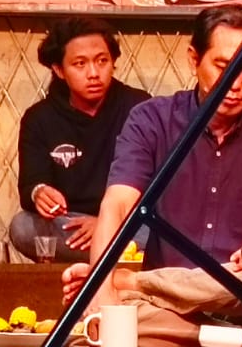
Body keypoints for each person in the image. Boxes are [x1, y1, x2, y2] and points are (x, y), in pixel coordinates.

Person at [62, 5, 242, 347]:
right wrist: (102, 292)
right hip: (174, 315)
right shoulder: (151, 120)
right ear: (194, 59)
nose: (235, 84)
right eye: (223, 67)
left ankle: (140, 287)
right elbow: (117, 204)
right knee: (87, 333)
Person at [11, 18, 151, 263]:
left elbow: (157, 188)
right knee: (22, 227)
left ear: (113, 62)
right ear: (59, 70)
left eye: (102, 61)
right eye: (80, 64)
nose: (94, 73)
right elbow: (30, 185)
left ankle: (105, 251)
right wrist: (39, 193)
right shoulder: (39, 118)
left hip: (126, 221)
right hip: (71, 224)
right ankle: (117, 255)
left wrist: (107, 224)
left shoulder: (139, 107)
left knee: (161, 231)